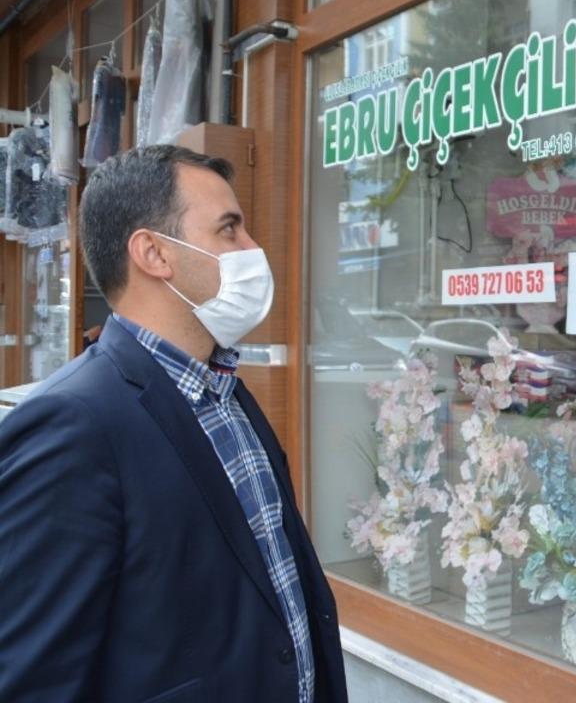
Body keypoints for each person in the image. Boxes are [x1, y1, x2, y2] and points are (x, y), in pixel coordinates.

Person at [0, 146, 347, 701]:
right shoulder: (72, 426)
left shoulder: (226, 389)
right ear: (154, 253)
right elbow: (33, 677)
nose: (254, 250)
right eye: (229, 230)